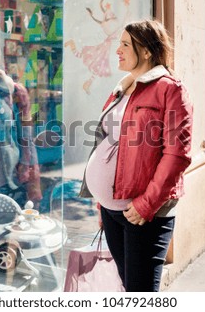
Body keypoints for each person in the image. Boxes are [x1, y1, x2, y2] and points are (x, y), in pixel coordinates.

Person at [79, 19, 193, 292]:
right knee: (127, 285)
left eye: (125, 44)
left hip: (144, 213)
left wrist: (146, 204)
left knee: (140, 292)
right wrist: (102, 200)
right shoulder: (123, 87)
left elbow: (178, 154)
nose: (117, 50)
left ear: (146, 51)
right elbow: (105, 141)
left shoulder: (170, 89)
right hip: (113, 210)